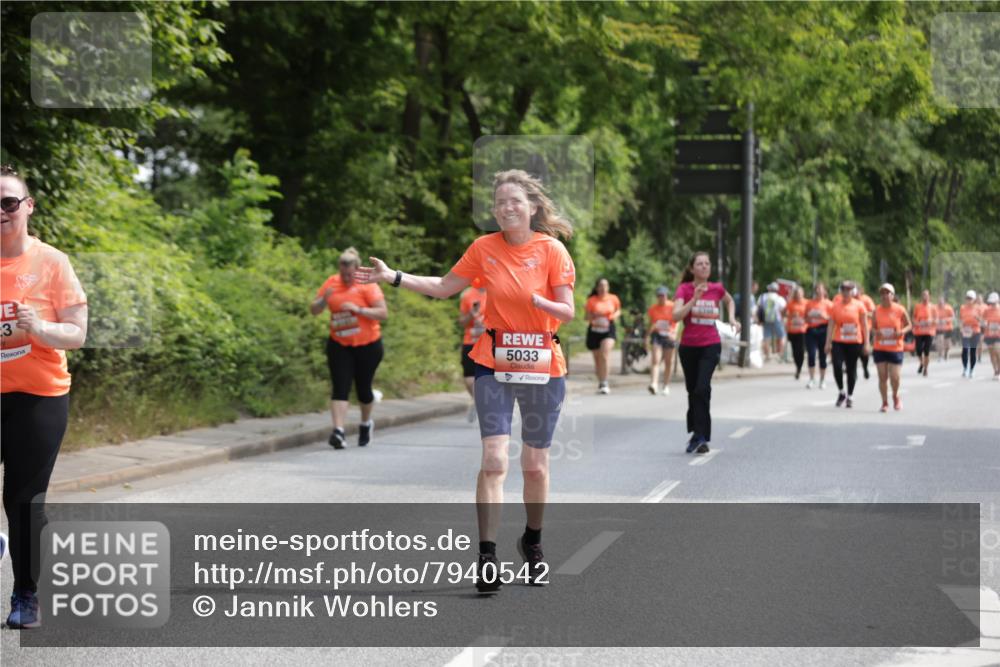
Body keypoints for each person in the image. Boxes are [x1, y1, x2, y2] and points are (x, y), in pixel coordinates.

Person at [356, 169, 575, 593]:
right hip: (493, 359)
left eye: (515, 201)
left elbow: (566, 312)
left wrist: (540, 301)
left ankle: (532, 541)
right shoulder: (483, 248)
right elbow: (442, 287)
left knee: (534, 466)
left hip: (543, 364)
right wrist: (393, 276)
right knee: (494, 460)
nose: (506, 208)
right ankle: (487, 556)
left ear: (532, 207)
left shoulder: (552, 251)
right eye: (499, 203)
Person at [1, 165, 88, 629]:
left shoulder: (52, 263)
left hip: (39, 396)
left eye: (8, 203)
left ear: (28, 206)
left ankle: (26, 593)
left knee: (24, 500)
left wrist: (38, 327)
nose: (0, 212)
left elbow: (77, 333)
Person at [310, 247, 387, 449]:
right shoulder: (331, 282)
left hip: (368, 345)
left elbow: (382, 313)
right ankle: (338, 431)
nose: (345, 277)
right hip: (339, 344)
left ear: (356, 269)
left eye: (349, 274)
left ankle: (365, 423)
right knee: (340, 387)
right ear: (339, 269)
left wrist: (358, 309)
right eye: (342, 273)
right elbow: (314, 310)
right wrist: (324, 300)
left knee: (363, 389)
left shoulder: (367, 283)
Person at [672, 252, 740, 454]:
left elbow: (729, 301)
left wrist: (733, 318)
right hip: (689, 347)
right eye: (699, 264)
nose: (704, 267)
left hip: (710, 345)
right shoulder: (684, 289)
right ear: (692, 269)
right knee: (693, 391)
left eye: (707, 263)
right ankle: (695, 433)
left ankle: (702, 437)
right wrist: (693, 299)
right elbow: (676, 316)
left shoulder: (717, 288)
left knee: (702, 388)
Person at [825, 280, 870, 408]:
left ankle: (850, 395)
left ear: (853, 291)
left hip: (854, 341)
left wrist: (867, 343)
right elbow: (831, 325)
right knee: (837, 366)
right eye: (844, 290)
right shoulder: (835, 306)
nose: (846, 292)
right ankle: (841, 392)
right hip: (839, 340)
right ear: (841, 291)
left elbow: (865, 326)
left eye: (849, 290)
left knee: (851, 368)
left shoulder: (859, 306)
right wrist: (828, 342)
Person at [872, 283, 912, 412]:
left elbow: (909, 325)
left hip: (895, 347)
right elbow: (873, 327)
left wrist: (901, 332)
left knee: (895, 377)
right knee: (882, 376)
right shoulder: (876, 310)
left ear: (892, 295)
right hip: (880, 347)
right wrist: (876, 332)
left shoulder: (899, 309)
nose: (884, 296)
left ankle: (895, 395)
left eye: (887, 293)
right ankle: (884, 402)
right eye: (882, 293)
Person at [458, 277, 488, 421]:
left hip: (490, 341)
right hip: (471, 340)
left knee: (489, 376)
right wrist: (471, 314)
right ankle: (478, 401)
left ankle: (484, 403)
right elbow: (461, 321)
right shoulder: (467, 294)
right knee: (469, 378)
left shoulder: (497, 292)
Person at [584, 278, 620, 394]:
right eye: (600, 285)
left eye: (605, 285)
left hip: (608, 330)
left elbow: (619, 311)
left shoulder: (613, 298)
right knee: (597, 359)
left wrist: (613, 316)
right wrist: (594, 316)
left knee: (604, 354)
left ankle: (605, 382)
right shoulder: (591, 300)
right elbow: (586, 317)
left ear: (608, 287)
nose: (603, 288)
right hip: (594, 330)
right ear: (597, 288)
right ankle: (601, 382)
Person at [644, 285, 677, 395]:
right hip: (657, 335)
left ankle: (666, 385)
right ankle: (654, 383)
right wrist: (647, 336)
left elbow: (677, 321)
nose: (661, 298)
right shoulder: (653, 308)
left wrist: (674, 333)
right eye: (659, 296)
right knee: (655, 360)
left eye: (663, 295)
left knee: (668, 362)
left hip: (669, 335)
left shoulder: (672, 306)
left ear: (666, 296)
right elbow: (652, 323)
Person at [804, 283, 832, 389]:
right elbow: (805, 317)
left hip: (823, 330)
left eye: (820, 289)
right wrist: (809, 318)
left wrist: (823, 316)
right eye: (816, 289)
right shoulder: (809, 303)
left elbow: (833, 320)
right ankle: (811, 379)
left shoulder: (829, 304)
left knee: (822, 356)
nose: (818, 291)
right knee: (811, 354)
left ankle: (822, 379)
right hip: (811, 330)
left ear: (824, 291)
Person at [784, 286, 808, 380]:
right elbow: (783, 312)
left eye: (799, 294)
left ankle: (799, 368)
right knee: (794, 351)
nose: (798, 295)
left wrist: (805, 316)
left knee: (801, 350)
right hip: (792, 330)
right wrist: (790, 315)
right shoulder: (790, 303)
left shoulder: (807, 303)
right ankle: (798, 366)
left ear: (803, 294)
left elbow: (810, 313)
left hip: (803, 330)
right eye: (796, 294)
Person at [911, 290, 937, 377]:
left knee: (926, 351)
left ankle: (925, 369)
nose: (925, 297)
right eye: (923, 295)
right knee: (918, 350)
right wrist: (917, 323)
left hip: (929, 332)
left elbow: (936, 320)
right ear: (921, 297)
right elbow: (913, 318)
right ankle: (922, 363)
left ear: (929, 296)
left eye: (926, 295)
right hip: (919, 331)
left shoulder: (933, 307)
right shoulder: (917, 306)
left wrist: (931, 321)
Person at [758, 282, 786, 362]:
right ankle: (780, 354)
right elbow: (784, 309)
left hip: (766, 319)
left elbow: (759, 308)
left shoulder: (762, 297)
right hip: (777, 319)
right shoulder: (779, 298)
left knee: (766, 337)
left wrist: (759, 319)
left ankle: (768, 355)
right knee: (781, 336)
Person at [959, 290, 983, 378]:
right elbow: (961, 319)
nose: (968, 300)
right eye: (967, 298)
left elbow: (982, 320)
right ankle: (965, 368)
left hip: (975, 331)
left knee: (973, 351)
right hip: (966, 331)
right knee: (965, 350)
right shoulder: (962, 308)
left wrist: (978, 318)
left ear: (974, 299)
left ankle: (972, 369)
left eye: (970, 298)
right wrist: (961, 328)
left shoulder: (978, 308)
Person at [856, 286, 876, 380]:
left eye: (856, 289)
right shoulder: (849, 301)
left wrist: (863, 313)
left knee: (864, 352)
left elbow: (874, 314)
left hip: (865, 329)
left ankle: (865, 367)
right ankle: (853, 370)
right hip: (854, 331)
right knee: (853, 351)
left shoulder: (866, 300)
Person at [983, 292, 1000, 381]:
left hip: (998, 335)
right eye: (991, 303)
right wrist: (984, 323)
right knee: (991, 353)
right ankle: (995, 370)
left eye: (994, 303)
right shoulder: (986, 310)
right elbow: (984, 321)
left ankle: (999, 370)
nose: (992, 305)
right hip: (988, 334)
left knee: (997, 351)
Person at [935, 295, 955, 361]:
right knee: (939, 341)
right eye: (939, 301)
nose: (940, 303)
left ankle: (946, 353)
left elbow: (953, 317)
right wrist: (936, 320)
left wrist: (946, 320)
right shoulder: (935, 308)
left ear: (944, 302)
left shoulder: (948, 308)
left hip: (948, 328)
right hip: (939, 328)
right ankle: (940, 356)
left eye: (941, 301)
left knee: (947, 344)